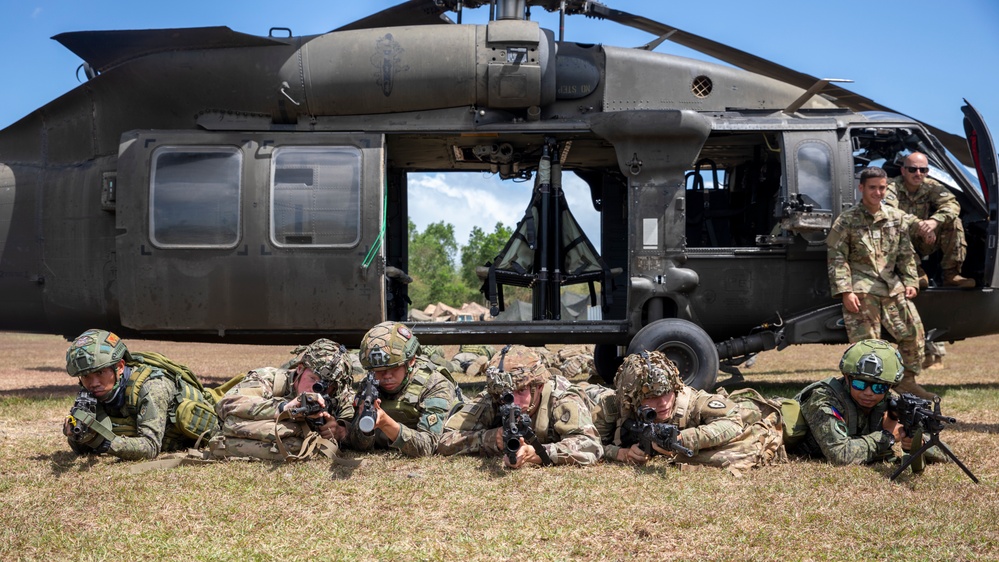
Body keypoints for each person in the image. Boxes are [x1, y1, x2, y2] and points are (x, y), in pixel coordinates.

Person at [827, 166, 933, 399]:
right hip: (862, 289)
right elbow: (837, 257)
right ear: (861, 188)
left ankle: (906, 382)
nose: (878, 192)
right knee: (868, 345)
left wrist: (910, 281)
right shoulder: (847, 221)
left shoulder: (895, 218)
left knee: (913, 333)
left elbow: (905, 253)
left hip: (891, 287)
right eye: (872, 187)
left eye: (882, 187)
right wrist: (845, 291)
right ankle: (871, 390)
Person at [606, 350, 785, 472]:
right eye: (651, 397)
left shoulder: (694, 403)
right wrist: (620, 453)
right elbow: (590, 442)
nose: (662, 403)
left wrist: (683, 439)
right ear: (633, 400)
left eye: (668, 393)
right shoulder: (619, 406)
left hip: (778, 416)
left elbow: (732, 423)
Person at [62, 329, 220, 460]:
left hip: (198, 430)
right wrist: (78, 435)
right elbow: (83, 450)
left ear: (120, 367)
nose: (93, 383)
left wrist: (103, 442)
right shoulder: (95, 393)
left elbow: (150, 447)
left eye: (100, 372)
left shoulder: (152, 388)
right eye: (86, 376)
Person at [437, 345, 603, 468]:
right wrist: (490, 438)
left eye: (521, 391)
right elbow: (444, 439)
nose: (513, 401)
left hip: (596, 401)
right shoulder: (494, 398)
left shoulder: (561, 397)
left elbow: (591, 446)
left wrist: (538, 453)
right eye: (507, 393)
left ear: (538, 386)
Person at [213, 339, 355, 461]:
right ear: (300, 369)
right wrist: (283, 408)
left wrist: (341, 431)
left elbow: (363, 433)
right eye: (313, 379)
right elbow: (226, 404)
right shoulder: (268, 378)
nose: (316, 389)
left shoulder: (338, 394)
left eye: (328, 386)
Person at [349, 321, 460, 457]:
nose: (387, 376)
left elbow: (428, 446)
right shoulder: (370, 386)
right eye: (379, 370)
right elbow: (357, 445)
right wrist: (364, 429)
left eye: (394, 368)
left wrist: (386, 424)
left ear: (411, 361)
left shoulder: (434, 383)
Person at [790, 339, 907, 465]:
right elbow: (840, 455)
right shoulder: (823, 398)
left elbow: (929, 442)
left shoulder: (889, 401)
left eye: (879, 387)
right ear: (846, 377)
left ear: (890, 386)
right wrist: (886, 437)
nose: (868, 392)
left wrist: (916, 442)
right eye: (859, 384)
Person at [885, 152, 974, 289]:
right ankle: (915, 272)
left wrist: (935, 221)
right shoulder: (892, 186)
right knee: (894, 225)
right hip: (900, 242)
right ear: (903, 171)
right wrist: (919, 224)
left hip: (925, 241)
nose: (918, 173)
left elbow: (952, 204)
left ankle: (950, 275)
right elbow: (890, 211)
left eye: (923, 170)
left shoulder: (931, 186)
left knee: (954, 221)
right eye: (912, 169)